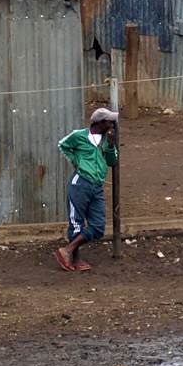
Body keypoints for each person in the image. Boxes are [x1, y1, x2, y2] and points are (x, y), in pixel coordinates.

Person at [55, 107, 119, 272]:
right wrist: (76, 161)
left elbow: (112, 162)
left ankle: (67, 251)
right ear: (100, 122)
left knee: (98, 227)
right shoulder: (80, 136)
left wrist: (111, 147)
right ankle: (75, 259)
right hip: (80, 184)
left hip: (96, 186)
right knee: (76, 223)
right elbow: (63, 145)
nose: (112, 124)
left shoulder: (107, 139)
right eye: (109, 121)